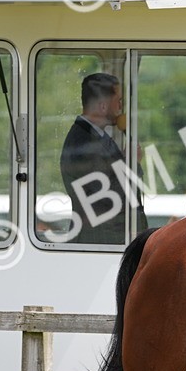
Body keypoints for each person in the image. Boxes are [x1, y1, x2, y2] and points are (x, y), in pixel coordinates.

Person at [60, 72, 146, 245]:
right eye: (118, 101)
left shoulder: (97, 137)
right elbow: (107, 199)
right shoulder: (83, 144)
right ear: (103, 106)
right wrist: (131, 165)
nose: (120, 108)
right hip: (98, 242)